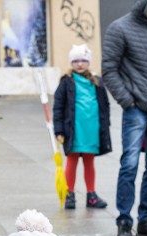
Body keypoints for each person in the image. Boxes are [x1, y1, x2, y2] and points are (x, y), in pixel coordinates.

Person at [102, 0, 147, 236]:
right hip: (135, 108)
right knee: (129, 163)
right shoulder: (119, 28)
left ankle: (145, 219)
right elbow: (109, 69)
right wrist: (127, 101)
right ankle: (124, 221)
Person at [53, 43, 112, 210]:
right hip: (73, 129)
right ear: (71, 62)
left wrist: (105, 126)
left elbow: (104, 106)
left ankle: (91, 195)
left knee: (89, 161)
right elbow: (58, 106)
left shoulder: (97, 82)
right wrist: (59, 130)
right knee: (71, 161)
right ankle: (69, 194)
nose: (80, 64)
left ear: (89, 62)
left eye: (83, 60)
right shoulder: (66, 82)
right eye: (76, 60)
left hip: (91, 129)